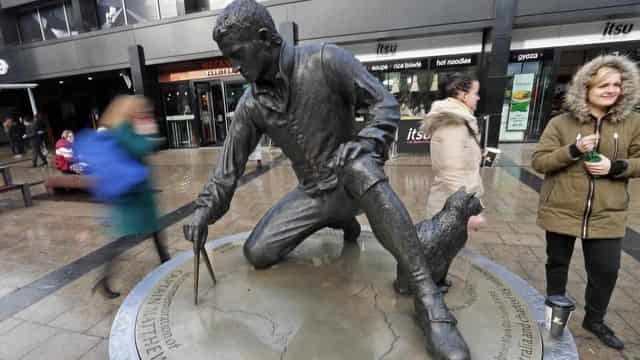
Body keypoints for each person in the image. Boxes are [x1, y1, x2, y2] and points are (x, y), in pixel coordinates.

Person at [184, 1, 469, 359]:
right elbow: (228, 168)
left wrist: (365, 143)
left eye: (238, 55)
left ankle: (430, 303)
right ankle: (336, 218)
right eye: (229, 58)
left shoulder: (326, 60)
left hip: (353, 180)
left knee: (360, 165)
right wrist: (203, 210)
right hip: (312, 194)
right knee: (257, 252)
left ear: (263, 38)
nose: (235, 66)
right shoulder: (250, 104)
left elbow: (385, 105)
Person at [532, 55, 640, 351]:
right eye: (604, 84)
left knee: (606, 269)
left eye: (617, 84)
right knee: (557, 264)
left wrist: (615, 167)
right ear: (586, 86)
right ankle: (554, 316)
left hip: (608, 213)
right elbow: (540, 161)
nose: (611, 90)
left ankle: (595, 319)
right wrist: (573, 150)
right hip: (561, 209)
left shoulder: (632, 123)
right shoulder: (561, 122)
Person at [91, 95, 170, 299]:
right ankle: (104, 279)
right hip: (133, 197)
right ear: (130, 111)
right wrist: (151, 135)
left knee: (153, 232)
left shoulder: (118, 128)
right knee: (125, 239)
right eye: (141, 110)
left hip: (134, 194)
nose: (144, 113)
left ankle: (167, 264)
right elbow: (141, 147)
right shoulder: (124, 129)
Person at [421, 72, 486, 229]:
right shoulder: (452, 122)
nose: (478, 98)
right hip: (448, 210)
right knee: (442, 252)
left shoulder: (460, 120)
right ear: (463, 95)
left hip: (453, 206)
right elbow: (450, 171)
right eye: (475, 93)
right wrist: (465, 212)